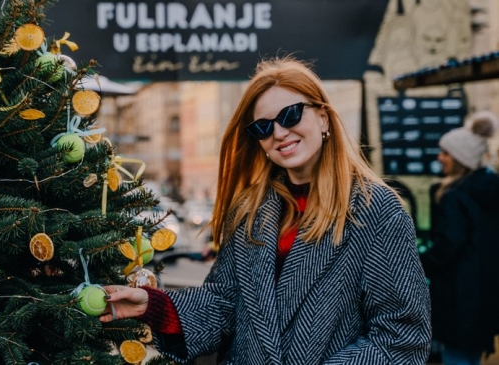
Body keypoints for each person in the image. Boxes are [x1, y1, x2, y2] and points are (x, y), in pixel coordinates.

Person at [101, 57, 431, 364]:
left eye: (290, 115)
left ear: (323, 117)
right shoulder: (249, 211)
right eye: (263, 127)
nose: (279, 133)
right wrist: (155, 306)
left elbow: (402, 336)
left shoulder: (376, 210)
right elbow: (225, 304)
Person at [420, 111, 499, 365]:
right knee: (471, 357)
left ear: (460, 158)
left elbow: (447, 247)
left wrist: (418, 262)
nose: (439, 158)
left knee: (454, 357)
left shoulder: (454, 196)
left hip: (458, 297)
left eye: (445, 153)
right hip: (484, 292)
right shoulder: (490, 190)